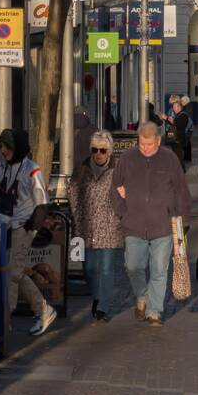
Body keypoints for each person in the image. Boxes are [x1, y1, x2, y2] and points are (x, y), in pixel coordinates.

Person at [112, 121, 188, 327]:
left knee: (159, 270)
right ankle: (142, 296)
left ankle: (154, 311)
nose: (145, 148)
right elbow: (115, 187)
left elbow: (181, 190)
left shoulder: (169, 159)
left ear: (158, 140)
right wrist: (122, 212)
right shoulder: (127, 159)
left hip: (162, 224)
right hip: (133, 224)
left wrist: (181, 220)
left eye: (149, 145)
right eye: (142, 144)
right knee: (133, 266)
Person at [0, 129, 57, 336]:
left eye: (7, 147)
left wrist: (30, 227)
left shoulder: (31, 169)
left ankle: (5, 317)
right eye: (1, 146)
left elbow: (42, 203)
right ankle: (40, 311)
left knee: (13, 272)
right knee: (12, 271)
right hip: (3, 227)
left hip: (21, 226)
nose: (3, 150)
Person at [70, 130, 123, 322]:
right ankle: (97, 296)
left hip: (109, 226)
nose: (98, 154)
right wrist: (77, 218)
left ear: (109, 152)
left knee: (107, 268)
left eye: (102, 150)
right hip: (87, 227)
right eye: (95, 150)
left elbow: (126, 196)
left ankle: (104, 307)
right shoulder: (82, 170)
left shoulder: (118, 170)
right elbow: (73, 194)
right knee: (90, 268)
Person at [166, 95, 191, 170]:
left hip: (178, 139)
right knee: (176, 154)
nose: (173, 108)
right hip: (176, 138)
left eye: (174, 107)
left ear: (178, 107)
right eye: (173, 107)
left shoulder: (183, 115)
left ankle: (181, 170)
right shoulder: (179, 115)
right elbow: (174, 124)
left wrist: (167, 118)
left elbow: (177, 124)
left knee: (178, 155)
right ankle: (179, 169)